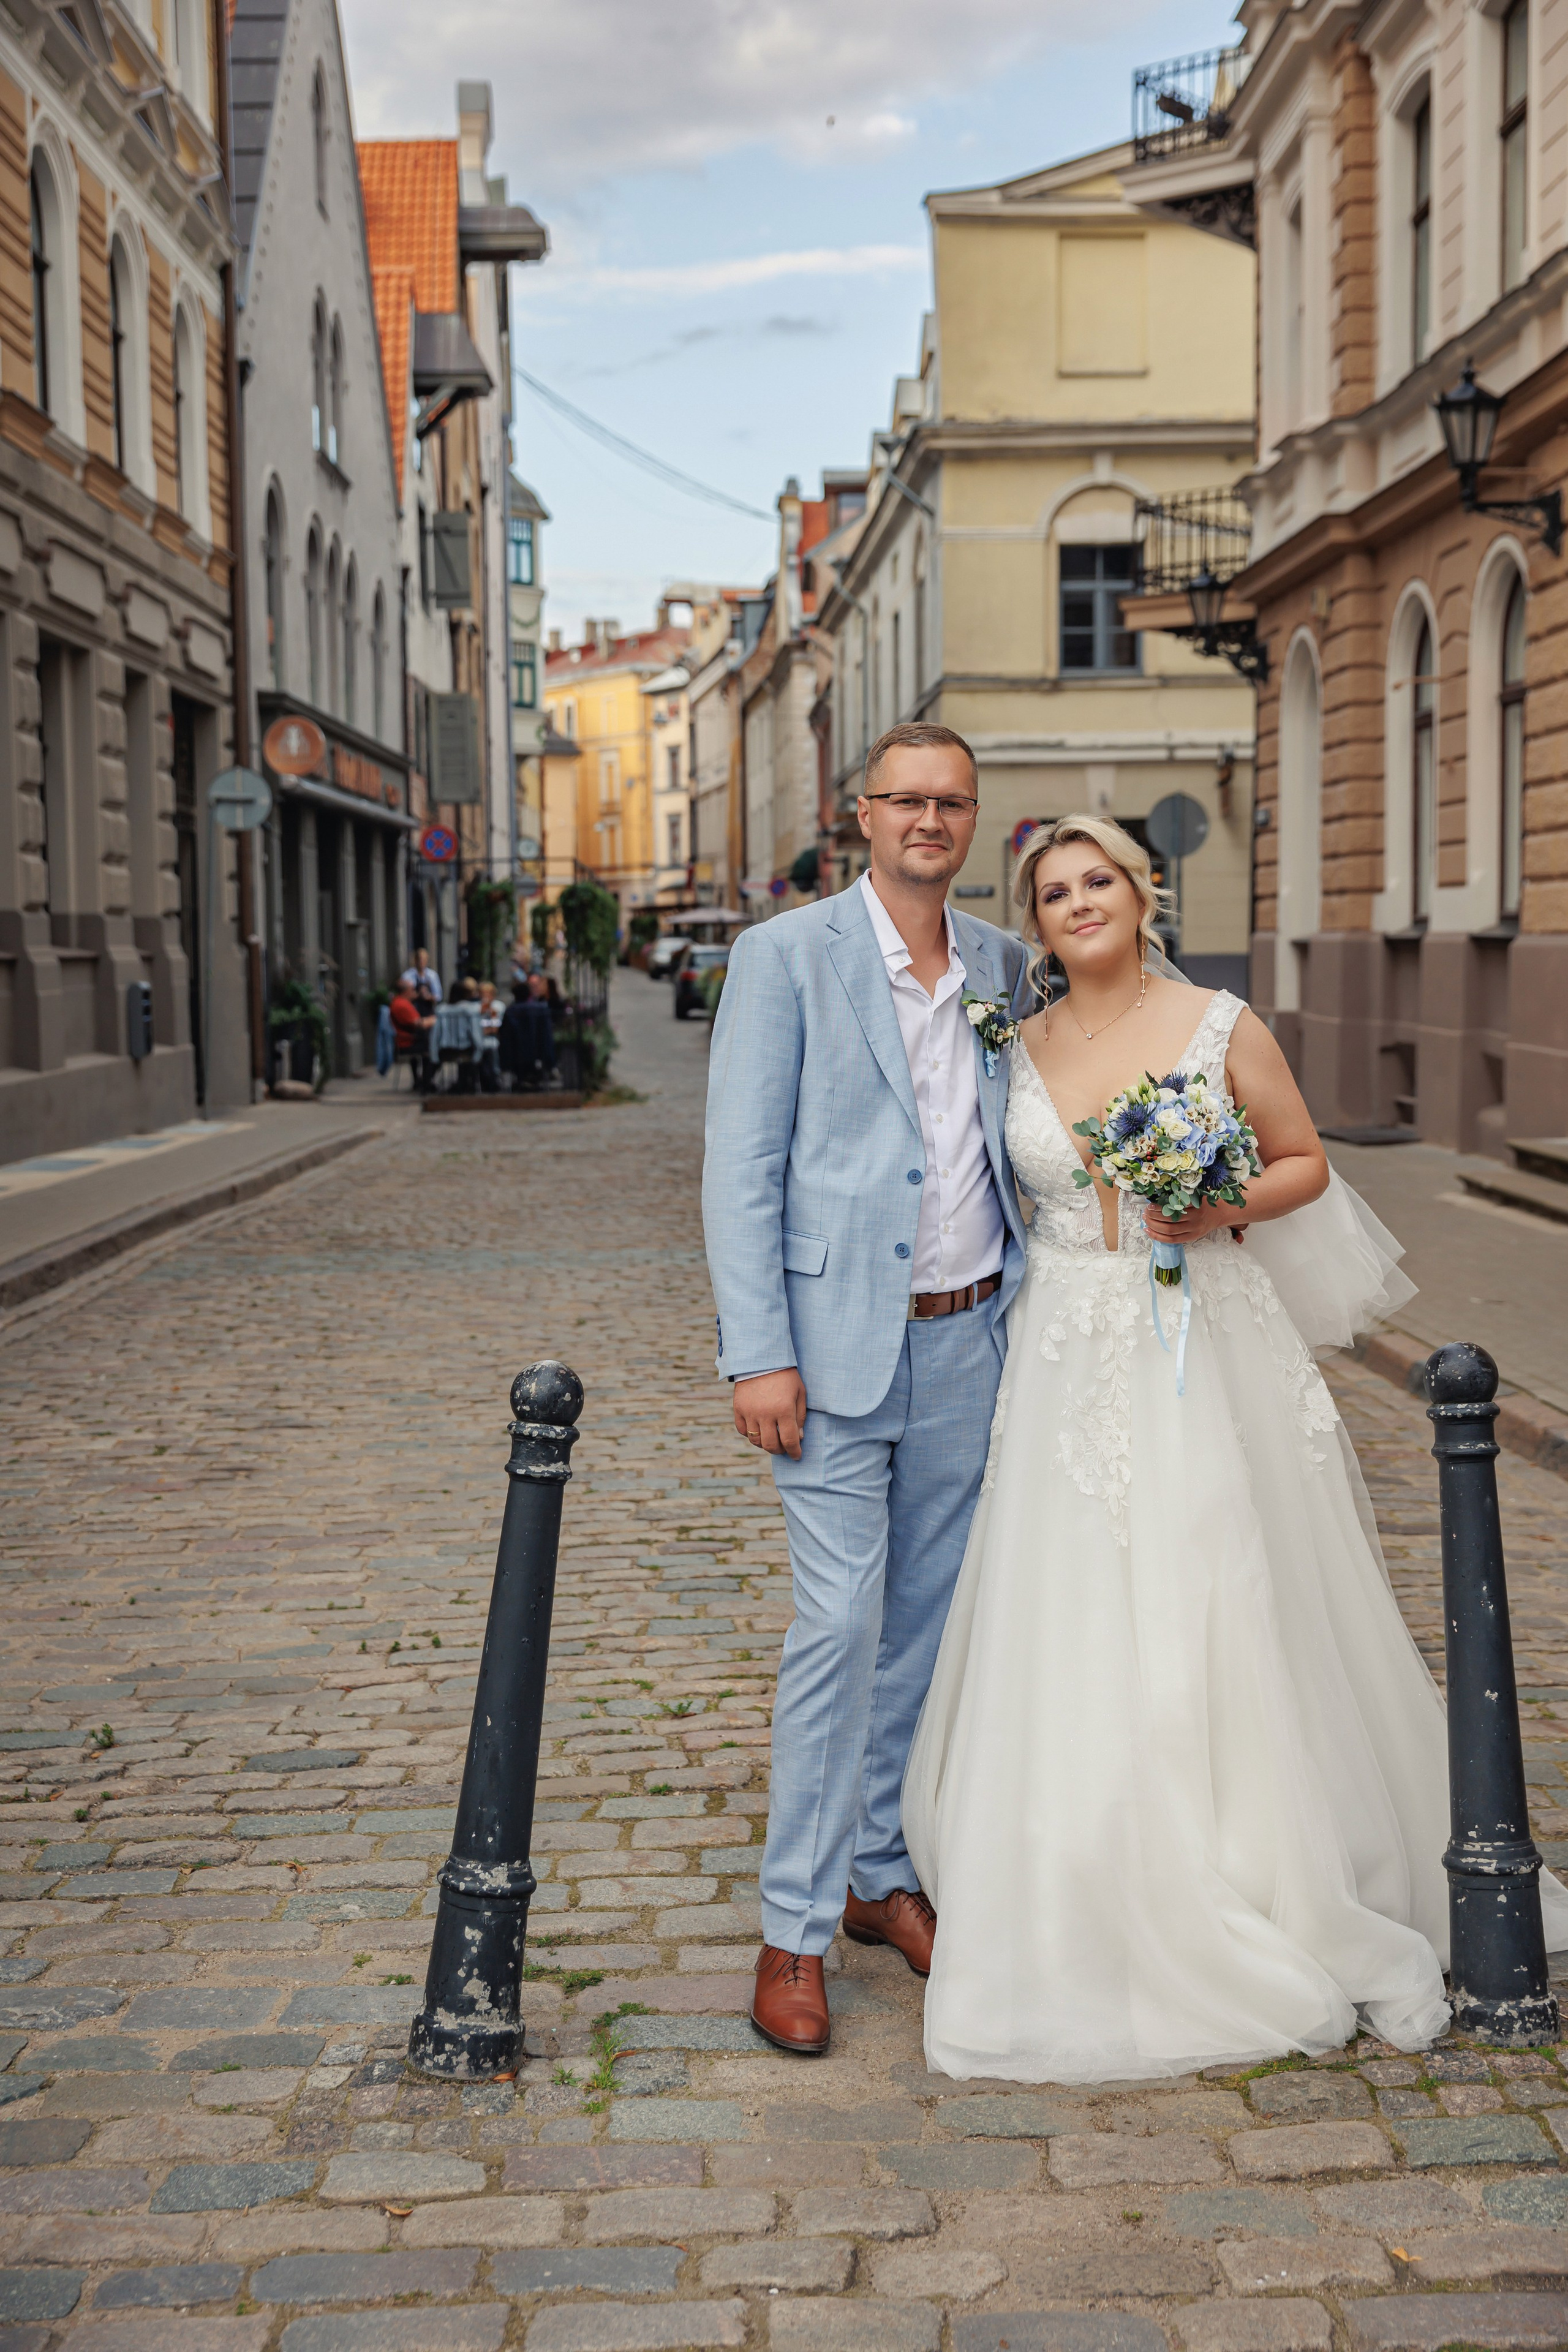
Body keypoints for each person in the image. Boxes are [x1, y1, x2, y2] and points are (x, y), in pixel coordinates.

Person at [902, 814, 1568, 2082]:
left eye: (1097, 881)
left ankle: (1263, 1862)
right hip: (1059, 1354)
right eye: (1051, 893)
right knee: (1070, 1598)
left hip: (1197, 1334)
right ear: (1032, 926)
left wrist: (1211, 1203)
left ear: (1140, 896)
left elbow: (1304, 1162)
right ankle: (1082, 1865)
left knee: (1220, 1582)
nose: (1077, 903)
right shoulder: (1018, 1044)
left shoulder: (1217, 1026)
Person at [703, 722, 1034, 2056]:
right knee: (834, 1630)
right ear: (862, 814)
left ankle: (875, 1878)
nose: (928, 820)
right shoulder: (784, 959)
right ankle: (788, 1935)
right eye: (905, 799)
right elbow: (741, 1166)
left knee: (926, 1628)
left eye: (951, 802)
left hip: (971, 1342)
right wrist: (755, 1351)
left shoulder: (1004, 965)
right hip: (831, 1353)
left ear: (969, 820)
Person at [387, 979, 434, 1091]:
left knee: (431, 1045)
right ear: (407, 991)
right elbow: (419, 1024)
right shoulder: (401, 1005)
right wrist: (435, 1020)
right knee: (436, 1049)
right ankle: (426, 1082)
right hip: (408, 1043)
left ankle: (422, 1081)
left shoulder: (403, 1003)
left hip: (411, 1040)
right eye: (413, 989)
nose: (416, 992)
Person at [402, 948, 442, 1013]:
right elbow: (404, 996)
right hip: (413, 1009)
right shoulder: (408, 975)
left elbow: (439, 996)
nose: (422, 962)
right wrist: (418, 994)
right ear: (415, 960)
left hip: (428, 1010)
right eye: (420, 960)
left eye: (424, 960)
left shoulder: (432, 975)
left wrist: (428, 996)